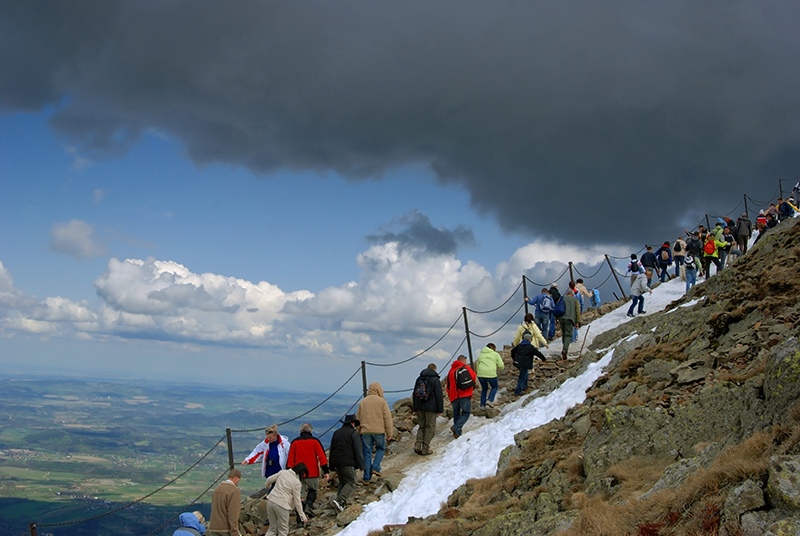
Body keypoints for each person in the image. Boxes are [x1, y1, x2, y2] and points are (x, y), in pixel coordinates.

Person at [286, 423, 329, 519]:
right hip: (312, 472)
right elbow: (322, 457)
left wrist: (289, 472)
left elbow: (290, 460)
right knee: (313, 490)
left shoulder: (295, 442)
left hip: (298, 474)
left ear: (301, 431)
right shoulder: (315, 442)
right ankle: (308, 506)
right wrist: (326, 471)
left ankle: (299, 520)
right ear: (311, 431)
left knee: (299, 496)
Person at [356, 382, 393, 483]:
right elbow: (387, 418)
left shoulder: (363, 402)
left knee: (367, 454)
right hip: (379, 431)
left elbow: (358, 419)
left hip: (365, 432)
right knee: (380, 449)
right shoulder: (382, 401)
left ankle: (366, 478)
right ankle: (376, 467)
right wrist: (390, 433)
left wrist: (358, 432)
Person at [328, 414, 365, 512]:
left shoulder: (336, 433)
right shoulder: (353, 433)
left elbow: (332, 449)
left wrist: (331, 465)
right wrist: (361, 464)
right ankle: (340, 500)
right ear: (352, 423)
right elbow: (358, 449)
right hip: (348, 462)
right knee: (350, 482)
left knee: (342, 482)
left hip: (337, 462)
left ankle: (340, 504)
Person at [264, 463, 308, 535]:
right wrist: (302, 516)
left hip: (271, 500)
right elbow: (297, 502)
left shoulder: (283, 472)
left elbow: (269, 479)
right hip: (282, 505)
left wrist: (267, 487)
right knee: (283, 531)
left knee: (272, 528)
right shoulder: (297, 483)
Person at [412, 363, 444, 456]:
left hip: (420, 407)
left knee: (422, 426)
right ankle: (425, 448)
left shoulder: (419, 379)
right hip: (431, 408)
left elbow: (414, 394)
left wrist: (415, 408)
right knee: (430, 428)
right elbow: (439, 396)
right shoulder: (435, 379)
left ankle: (417, 445)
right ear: (434, 369)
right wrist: (440, 409)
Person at [445, 354, 477, 439]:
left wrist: (450, 395)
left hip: (454, 396)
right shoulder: (465, 368)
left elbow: (448, 385)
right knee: (466, 413)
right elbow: (473, 376)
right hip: (464, 394)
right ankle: (456, 427)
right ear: (463, 361)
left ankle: (457, 433)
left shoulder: (451, 371)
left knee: (456, 414)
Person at [208, 469, 241, 536]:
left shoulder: (217, 489)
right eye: (238, 480)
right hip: (225, 529)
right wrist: (234, 531)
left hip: (213, 527)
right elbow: (233, 513)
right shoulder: (234, 490)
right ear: (236, 478)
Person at [475, 343, 504, 408]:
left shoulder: (481, 354)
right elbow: (501, 365)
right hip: (491, 374)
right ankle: (490, 400)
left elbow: (477, 365)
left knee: (484, 388)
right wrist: (502, 368)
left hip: (481, 374)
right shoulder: (495, 354)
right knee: (494, 387)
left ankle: (482, 405)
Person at [559, 289, 581, 359]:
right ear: (572, 294)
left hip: (561, 318)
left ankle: (564, 346)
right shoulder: (575, 300)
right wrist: (577, 321)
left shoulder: (562, 299)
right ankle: (565, 350)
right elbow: (577, 311)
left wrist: (556, 318)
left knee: (564, 333)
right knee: (568, 335)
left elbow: (558, 308)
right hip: (570, 319)